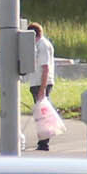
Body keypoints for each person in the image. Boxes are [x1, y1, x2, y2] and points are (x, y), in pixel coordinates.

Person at [26, 19, 59, 151]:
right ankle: (42, 140)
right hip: (37, 82)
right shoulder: (40, 45)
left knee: (42, 113)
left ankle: (44, 142)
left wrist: (42, 89)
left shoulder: (42, 46)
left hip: (41, 82)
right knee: (41, 112)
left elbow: (45, 68)